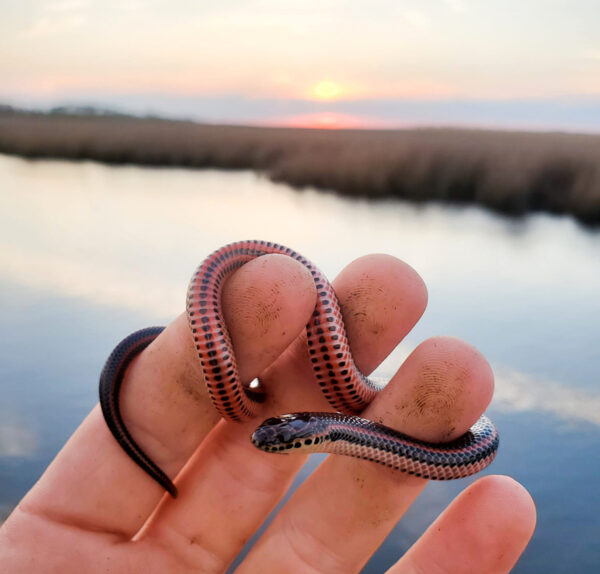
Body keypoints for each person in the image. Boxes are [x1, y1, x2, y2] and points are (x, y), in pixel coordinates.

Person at [0, 252, 536, 573]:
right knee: (275, 290)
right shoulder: (341, 429)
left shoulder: (345, 430)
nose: (273, 436)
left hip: (452, 437)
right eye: (280, 434)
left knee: (439, 377)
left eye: (282, 438)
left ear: (307, 439)